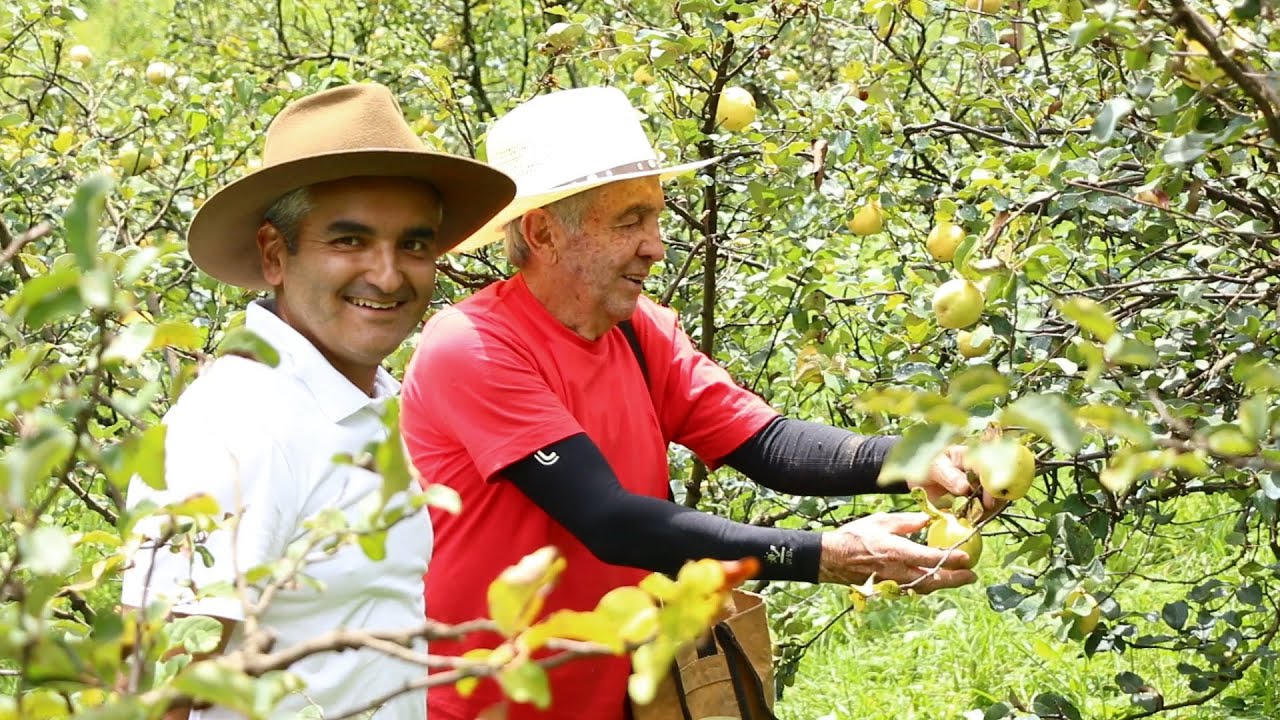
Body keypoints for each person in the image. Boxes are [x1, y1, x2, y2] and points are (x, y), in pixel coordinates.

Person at [400, 87, 985, 720]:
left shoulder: (633, 328)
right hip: (495, 706)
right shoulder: (477, 348)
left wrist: (918, 459)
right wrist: (823, 556)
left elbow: (769, 446)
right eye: (628, 220)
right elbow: (609, 520)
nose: (656, 244)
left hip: (635, 698)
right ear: (543, 231)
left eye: (655, 216)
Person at [121, 83, 515, 719]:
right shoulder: (239, 424)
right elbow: (155, 688)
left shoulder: (366, 401)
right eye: (350, 241)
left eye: (414, 244)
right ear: (276, 255)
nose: (388, 275)